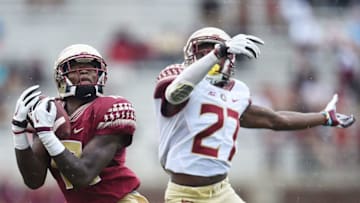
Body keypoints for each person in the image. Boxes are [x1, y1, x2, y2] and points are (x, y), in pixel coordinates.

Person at [153, 27, 356, 203]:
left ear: (231, 58)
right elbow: (174, 92)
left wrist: (324, 117)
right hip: (188, 193)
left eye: (215, 50)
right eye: (203, 52)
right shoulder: (176, 79)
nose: (210, 55)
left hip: (222, 190)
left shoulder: (236, 92)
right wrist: (217, 52)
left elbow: (274, 120)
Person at [11, 44, 149, 203]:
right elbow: (33, 181)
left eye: (91, 67)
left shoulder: (111, 108)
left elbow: (83, 175)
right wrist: (18, 132)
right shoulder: (50, 114)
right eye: (75, 66)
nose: (84, 71)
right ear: (60, 76)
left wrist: (47, 134)